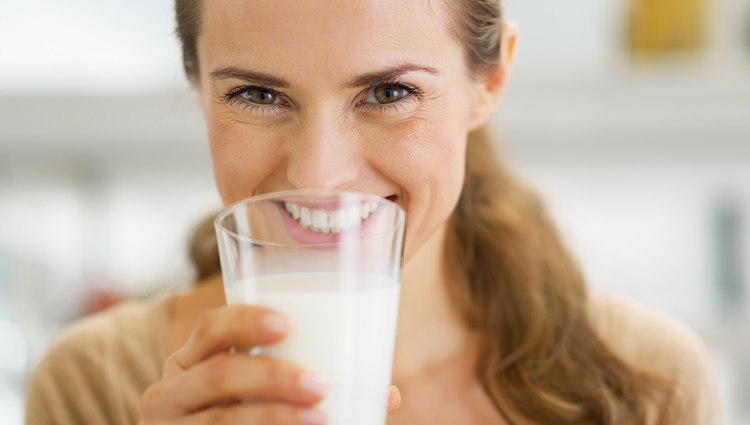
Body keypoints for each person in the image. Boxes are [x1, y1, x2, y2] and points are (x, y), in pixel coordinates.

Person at [25, 0, 721, 424]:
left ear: (491, 80)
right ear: (197, 84)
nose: (319, 174)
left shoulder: (642, 384)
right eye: (258, 96)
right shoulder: (98, 386)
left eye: (388, 92)